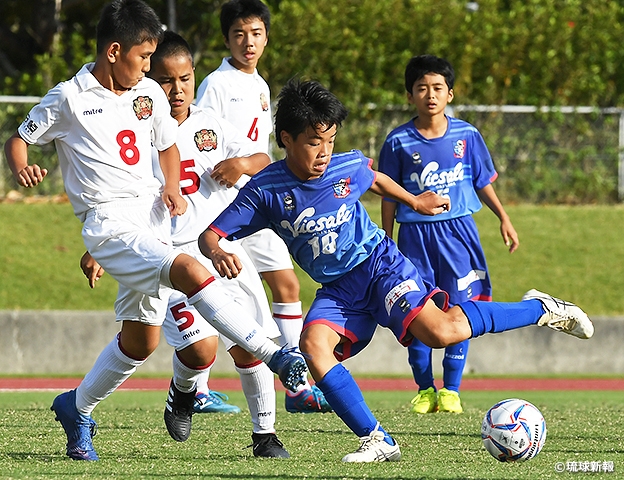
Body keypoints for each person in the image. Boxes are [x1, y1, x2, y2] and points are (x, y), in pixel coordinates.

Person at [197, 77, 594, 463]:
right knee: (313, 347)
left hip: (379, 266)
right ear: (286, 138)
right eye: (314, 142)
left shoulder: (344, 166)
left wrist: (414, 201)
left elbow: (375, 178)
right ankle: (377, 439)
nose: (324, 153)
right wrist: (216, 251)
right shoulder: (264, 190)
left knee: (441, 332)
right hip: (337, 290)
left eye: (330, 141)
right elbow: (210, 235)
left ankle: (542, 309)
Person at [4, 0, 306, 462]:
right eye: (143, 57)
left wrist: (170, 187)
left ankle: (76, 407)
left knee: (140, 341)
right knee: (188, 268)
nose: (149, 68)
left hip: (153, 224)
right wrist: (23, 167)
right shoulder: (70, 97)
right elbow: (20, 138)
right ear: (113, 52)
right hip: (107, 223)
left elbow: (166, 144)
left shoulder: (145, 92)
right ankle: (275, 354)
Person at [79, 30, 293, 458]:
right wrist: (98, 248)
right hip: (167, 254)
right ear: (146, 79)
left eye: (185, 79)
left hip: (222, 248)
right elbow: (112, 197)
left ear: (195, 77)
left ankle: (265, 436)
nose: (176, 90)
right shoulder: (135, 135)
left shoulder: (210, 123)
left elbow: (264, 159)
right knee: (200, 350)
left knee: (250, 345)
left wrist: (240, 163)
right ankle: (184, 391)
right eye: (165, 80)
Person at [194, 0, 330, 414]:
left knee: (287, 286)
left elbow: (261, 151)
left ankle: (297, 385)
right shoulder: (216, 84)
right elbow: (202, 141)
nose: (248, 42)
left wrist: (253, 164)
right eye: (239, 34)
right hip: (225, 204)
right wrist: (236, 165)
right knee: (211, 292)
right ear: (226, 39)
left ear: (266, 37)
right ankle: (197, 389)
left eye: (255, 34)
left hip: (262, 200)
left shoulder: (261, 85)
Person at [378, 54, 520, 415]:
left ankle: (452, 390)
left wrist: (503, 218)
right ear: (410, 95)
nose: (430, 94)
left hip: (458, 233)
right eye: (422, 88)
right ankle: (425, 390)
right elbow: (390, 196)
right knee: (417, 310)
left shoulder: (467, 135)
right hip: (414, 236)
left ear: (450, 94)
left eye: (437, 88)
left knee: (462, 307)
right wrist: (387, 238)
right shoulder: (397, 142)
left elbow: (482, 181)